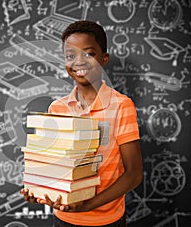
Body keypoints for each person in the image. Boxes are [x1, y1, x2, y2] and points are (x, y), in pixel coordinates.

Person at [21, 20, 143, 227]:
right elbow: (54, 165)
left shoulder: (121, 106)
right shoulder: (57, 108)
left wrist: (89, 205)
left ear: (104, 58)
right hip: (63, 219)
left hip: (107, 220)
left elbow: (134, 174)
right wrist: (39, 189)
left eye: (88, 54)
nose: (79, 62)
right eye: (70, 56)